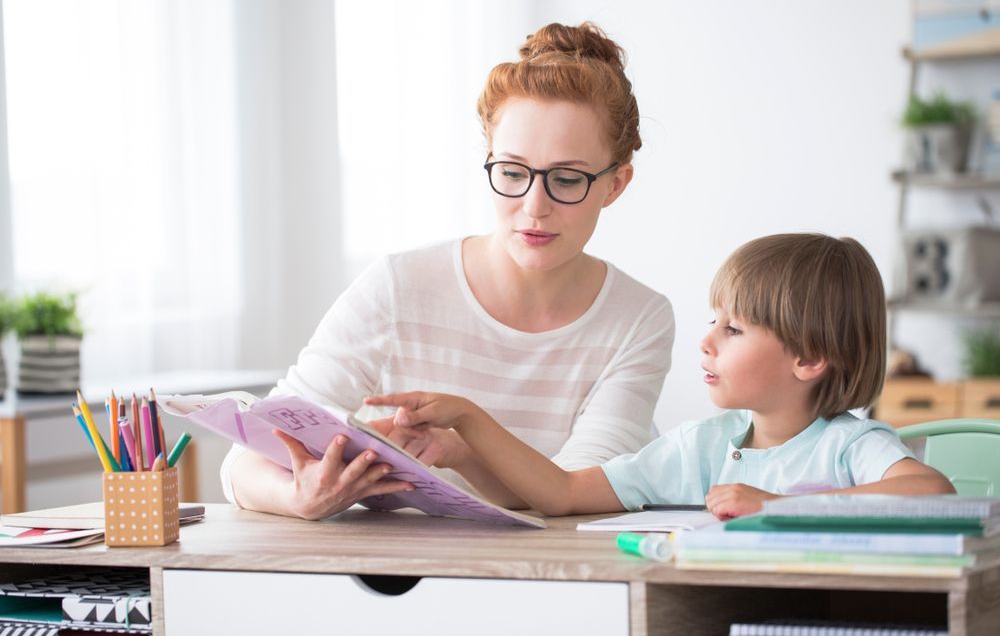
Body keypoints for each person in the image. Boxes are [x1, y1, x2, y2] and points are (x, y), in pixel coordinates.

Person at [221, 22, 675, 520]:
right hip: (385, 576)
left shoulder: (638, 318)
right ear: (489, 162)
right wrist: (299, 497)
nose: (534, 205)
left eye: (567, 179)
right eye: (512, 173)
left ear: (616, 185)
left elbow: (582, 491)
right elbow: (247, 459)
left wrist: (464, 445)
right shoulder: (400, 286)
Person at [366, 234, 956, 520]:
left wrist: (774, 506)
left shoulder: (851, 445)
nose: (706, 340)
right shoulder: (700, 447)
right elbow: (562, 494)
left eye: (734, 330)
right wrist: (466, 436)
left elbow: (932, 493)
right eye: (712, 320)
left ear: (808, 359)